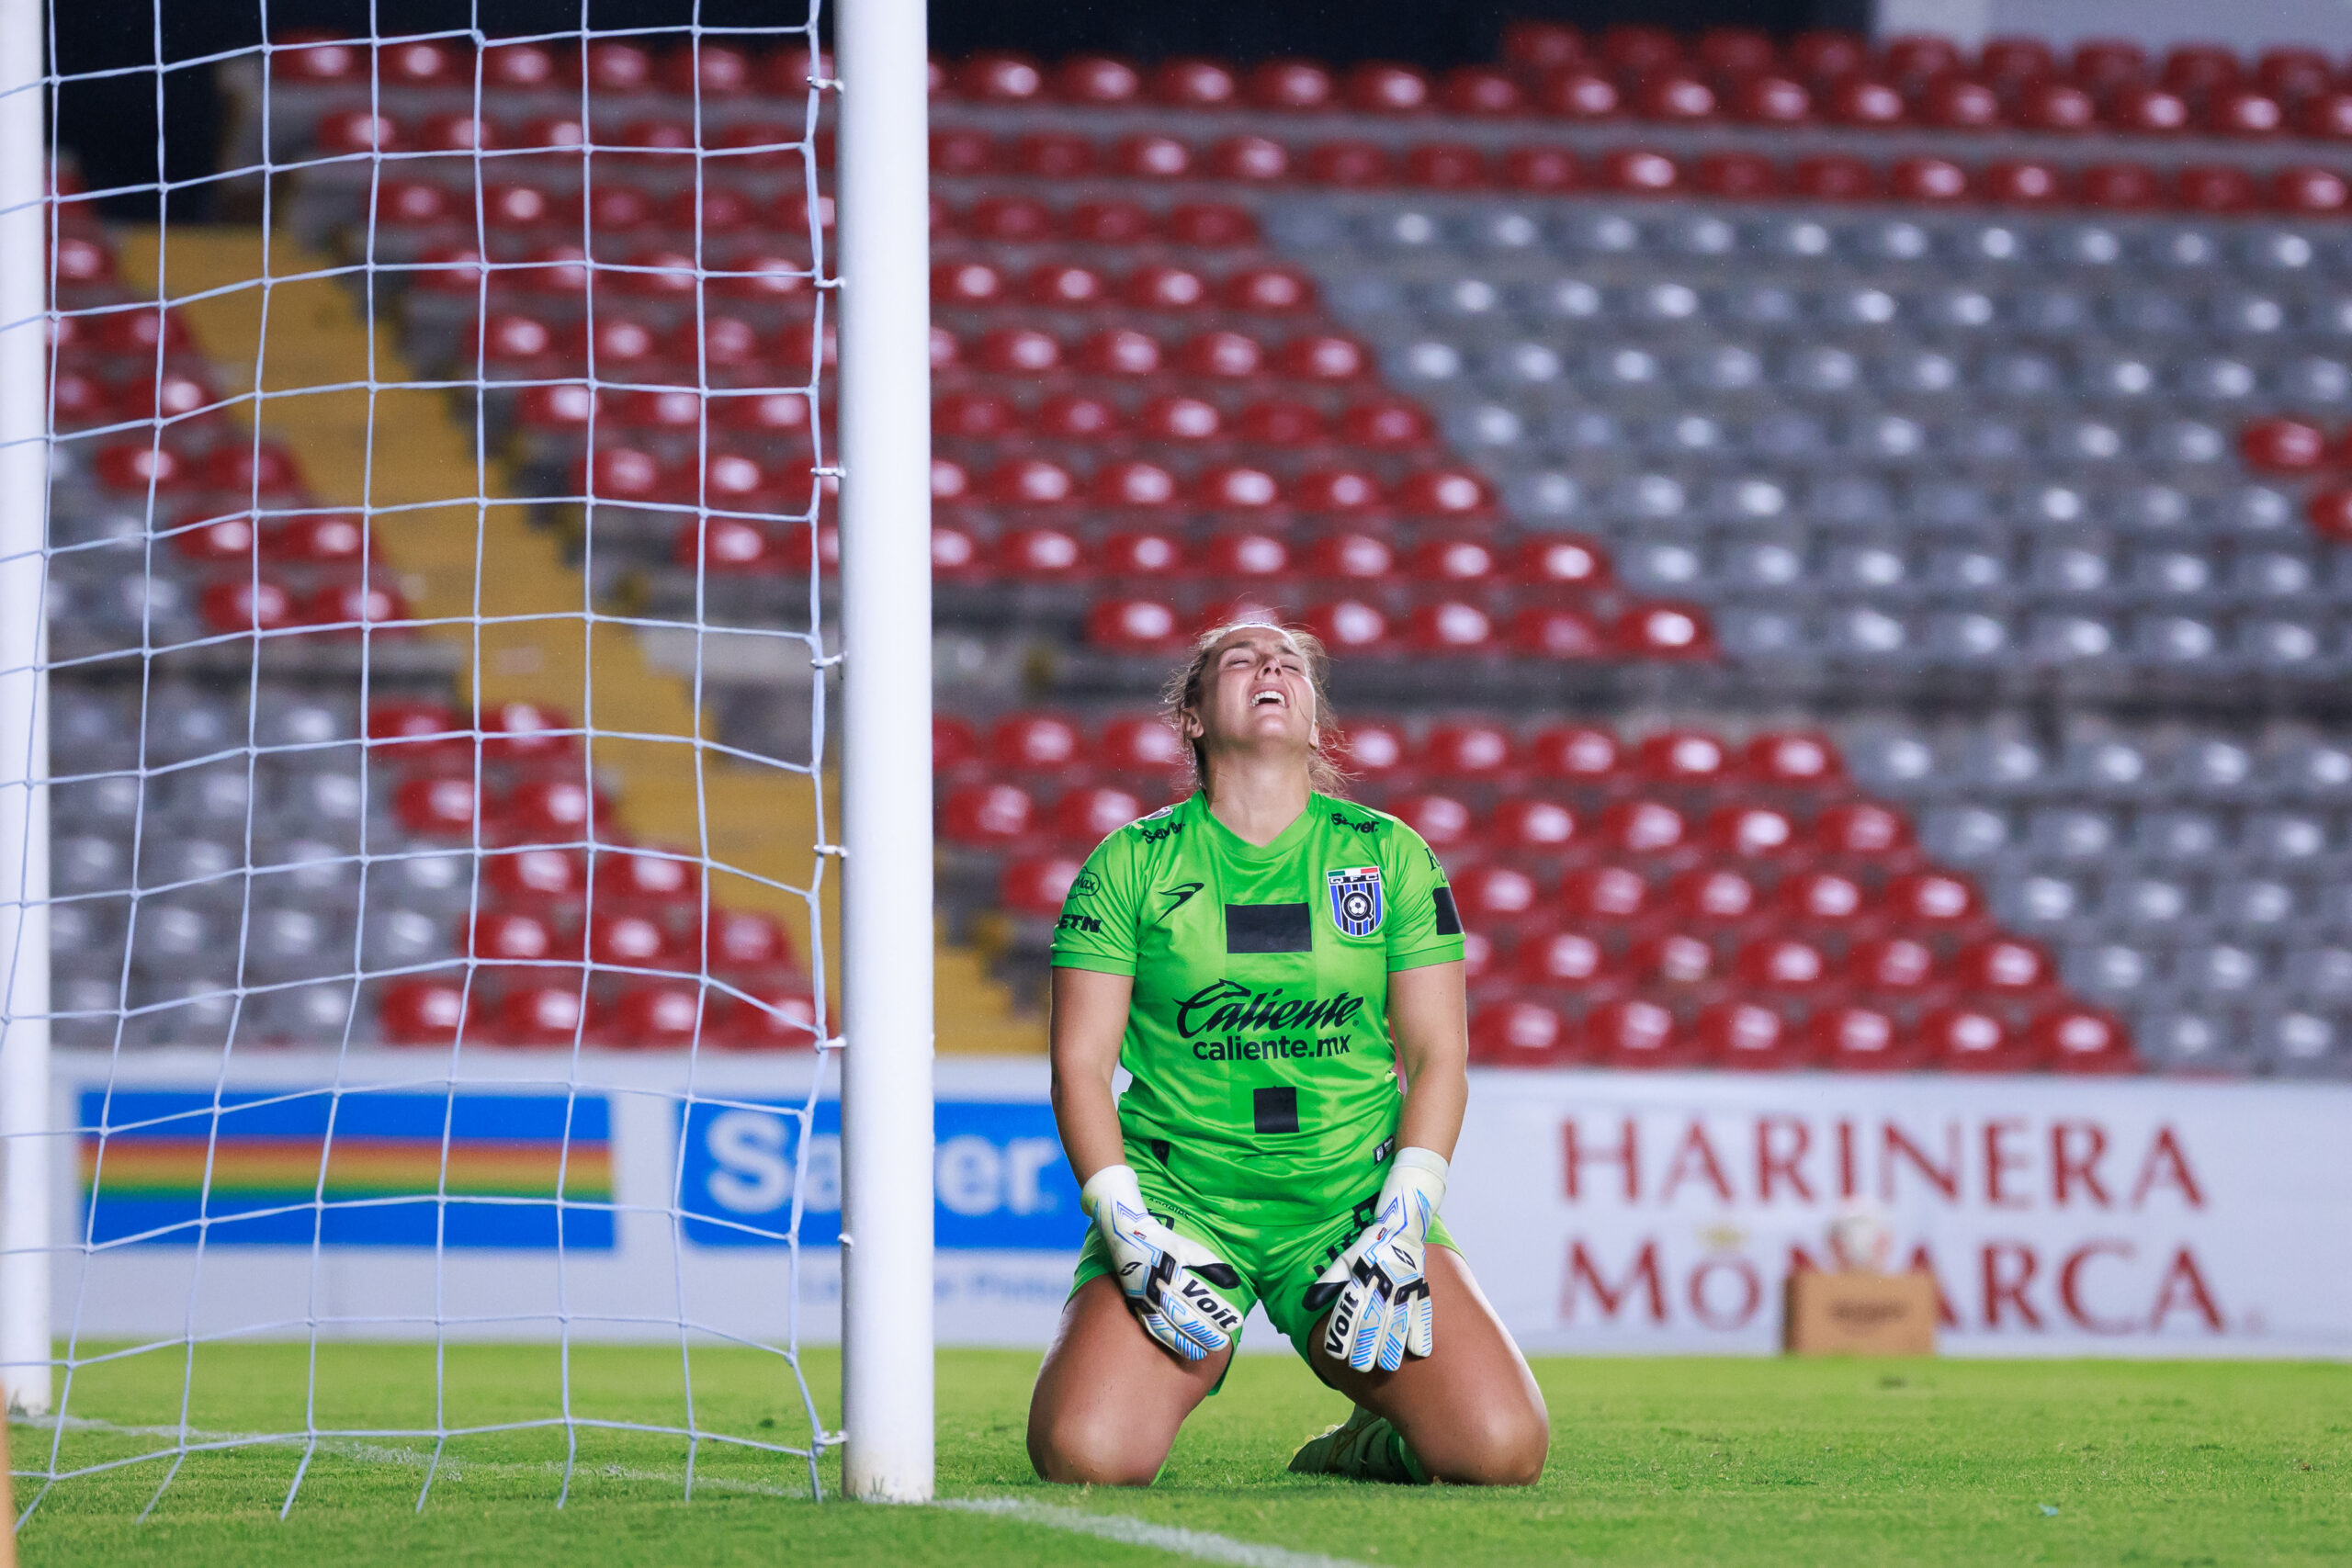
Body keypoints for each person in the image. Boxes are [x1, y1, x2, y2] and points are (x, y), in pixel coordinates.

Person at [1026, 620, 1548, 1487]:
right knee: (1085, 1454)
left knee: (1502, 1450)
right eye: (1242, 659)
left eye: (1291, 664)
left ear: (1313, 719)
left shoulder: (1390, 856)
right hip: (1182, 1203)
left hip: (1350, 1203)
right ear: (1193, 716)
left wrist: (1404, 1217)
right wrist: (1127, 1227)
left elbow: (1437, 1059)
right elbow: (1079, 1069)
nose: (1271, 666)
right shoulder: (1127, 864)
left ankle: (1367, 1440)